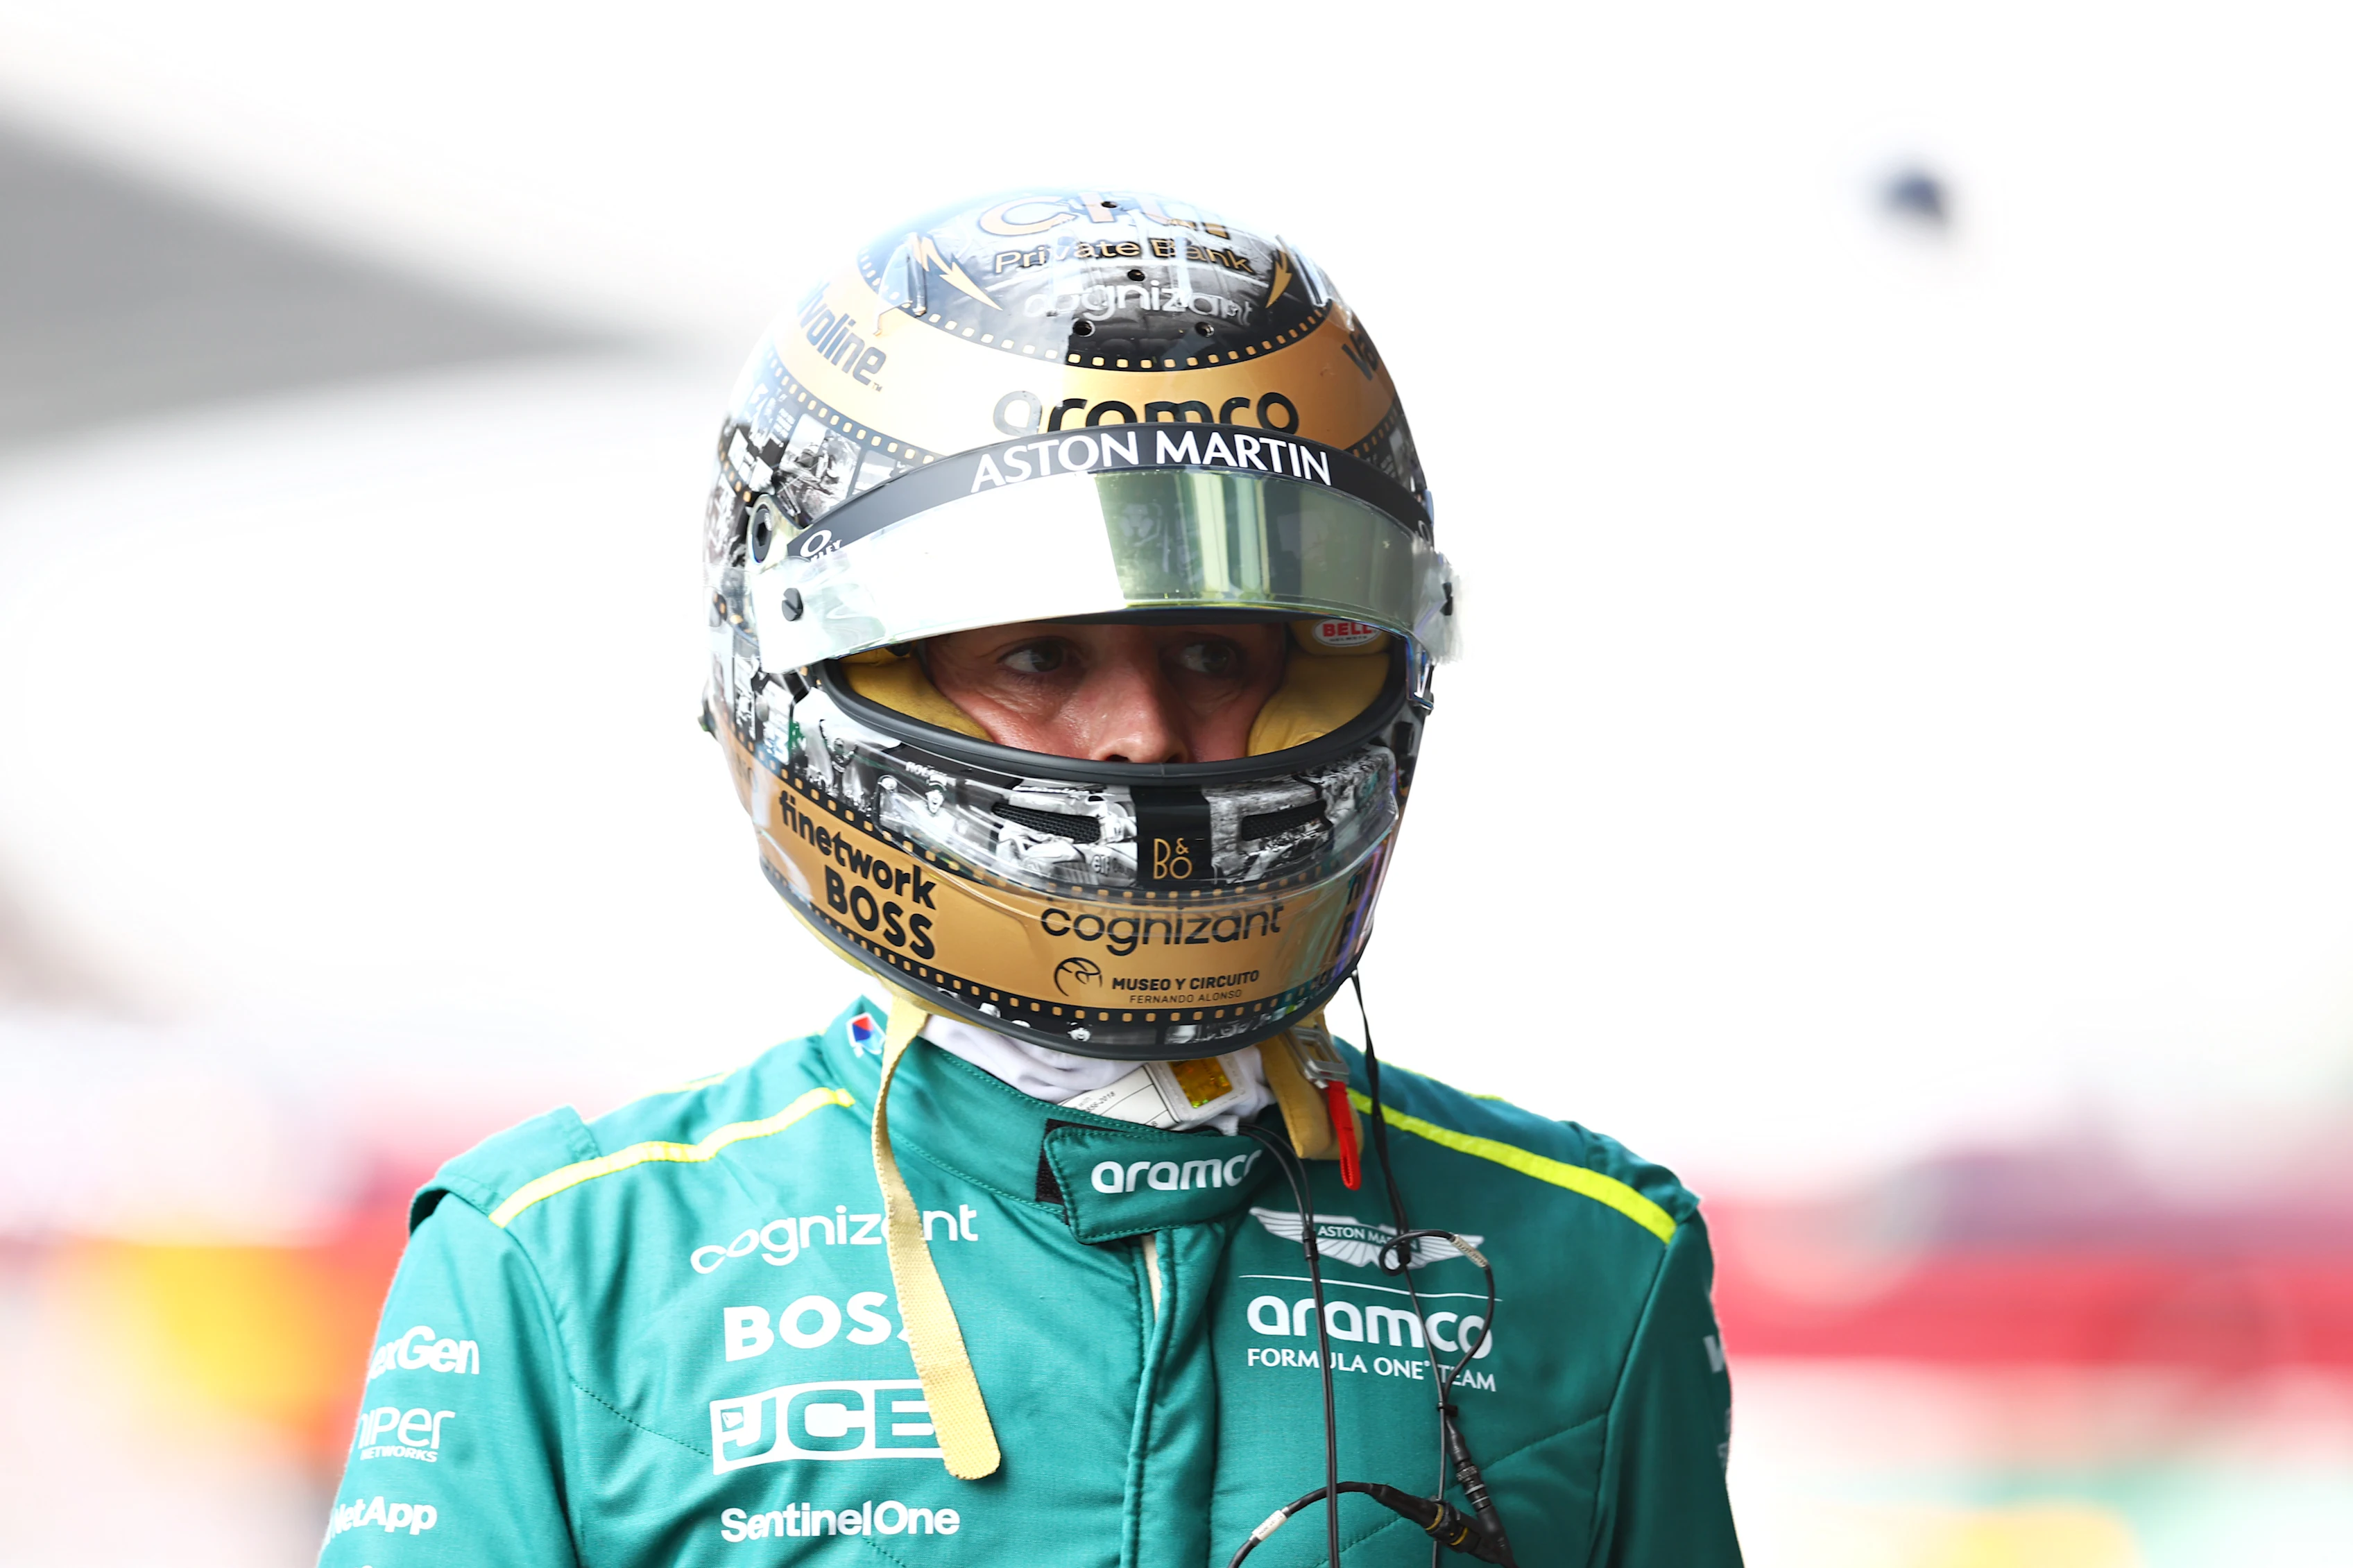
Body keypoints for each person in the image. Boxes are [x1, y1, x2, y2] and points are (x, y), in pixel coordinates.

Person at [321, 189, 1742, 1568]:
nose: (1141, 731)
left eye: (1211, 652)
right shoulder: (562, 1264)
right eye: (1035, 657)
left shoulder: (1593, 1261)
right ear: (809, 674)